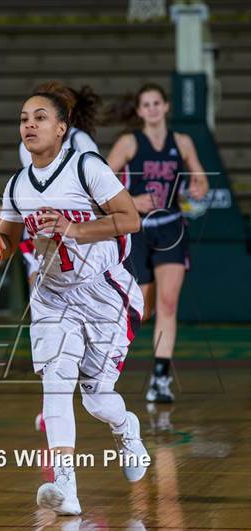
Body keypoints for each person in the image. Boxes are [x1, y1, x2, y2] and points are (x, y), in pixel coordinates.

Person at [0, 90, 150, 515]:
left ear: (62, 129)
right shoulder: (16, 185)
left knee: (97, 399)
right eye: (23, 117)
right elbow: (5, 244)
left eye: (40, 117)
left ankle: (126, 427)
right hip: (52, 295)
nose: (29, 124)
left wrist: (74, 229)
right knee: (55, 381)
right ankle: (65, 484)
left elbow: (130, 219)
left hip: (104, 291)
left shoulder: (87, 167)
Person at [106, 83, 208, 404]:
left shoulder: (182, 142)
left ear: (165, 106)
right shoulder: (128, 143)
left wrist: (197, 186)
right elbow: (100, 185)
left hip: (170, 229)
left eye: (156, 103)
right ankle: (105, 364)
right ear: (139, 111)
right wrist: (132, 200)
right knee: (143, 309)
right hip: (137, 230)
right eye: (145, 104)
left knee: (168, 304)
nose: (151, 108)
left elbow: (202, 180)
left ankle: (161, 379)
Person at [19, 82, 103, 433]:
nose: (35, 123)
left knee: (77, 325)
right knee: (45, 321)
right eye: (31, 116)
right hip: (40, 236)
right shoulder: (29, 145)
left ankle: (85, 376)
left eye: (44, 114)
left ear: (64, 119)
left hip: (76, 238)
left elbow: (100, 193)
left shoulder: (82, 144)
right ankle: (51, 400)